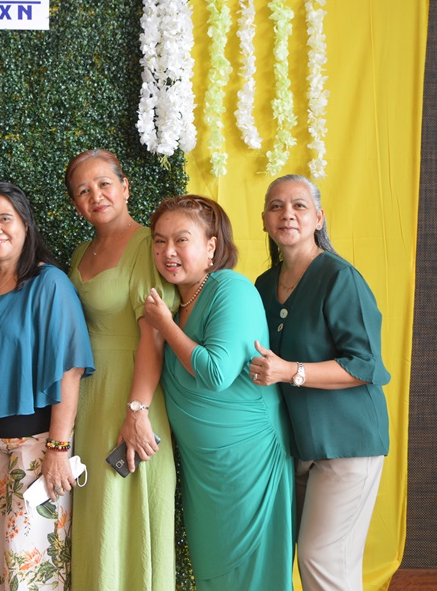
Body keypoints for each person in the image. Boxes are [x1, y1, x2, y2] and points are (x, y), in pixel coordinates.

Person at [143, 194, 294, 590]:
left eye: (181, 240)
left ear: (211, 247)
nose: (168, 251)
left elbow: (216, 373)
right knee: (214, 574)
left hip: (247, 462)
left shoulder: (230, 288)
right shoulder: (175, 299)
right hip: (203, 471)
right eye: (159, 241)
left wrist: (164, 325)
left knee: (252, 576)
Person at [249, 175, 390, 591]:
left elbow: (365, 365)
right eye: (276, 206)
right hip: (297, 446)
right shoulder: (263, 285)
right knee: (295, 554)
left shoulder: (340, 277)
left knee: (323, 557)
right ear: (264, 220)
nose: (287, 214)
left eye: (299, 205)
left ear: (319, 218)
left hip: (348, 442)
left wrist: (291, 371)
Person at [0, 182, 95, 590]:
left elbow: (70, 368)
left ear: (25, 224)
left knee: (29, 571)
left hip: (35, 448)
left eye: (5, 219)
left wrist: (58, 447)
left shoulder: (49, 284)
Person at [63, 149, 179, 590]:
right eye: (83, 190)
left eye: (104, 184)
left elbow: (154, 336)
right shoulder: (81, 251)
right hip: (89, 398)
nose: (96, 195)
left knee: (127, 508)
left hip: (131, 394)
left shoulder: (148, 245)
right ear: (76, 203)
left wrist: (137, 410)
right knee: (97, 514)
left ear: (125, 187)